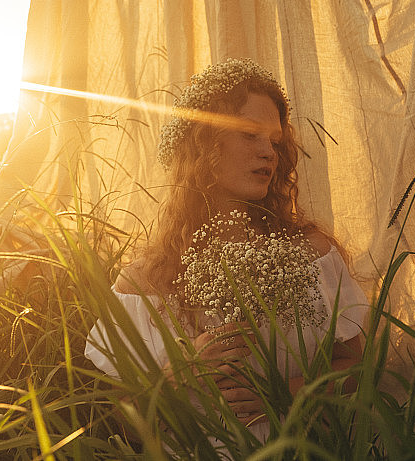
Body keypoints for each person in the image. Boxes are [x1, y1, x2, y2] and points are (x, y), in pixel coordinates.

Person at [85, 58, 367, 442]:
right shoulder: (145, 280)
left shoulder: (311, 254)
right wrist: (183, 371)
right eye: (250, 134)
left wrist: (283, 393)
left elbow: (357, 370)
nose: (269, 152)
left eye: (275, 141)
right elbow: (126, 423)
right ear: (203, 142)